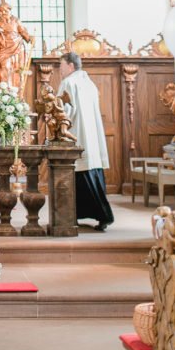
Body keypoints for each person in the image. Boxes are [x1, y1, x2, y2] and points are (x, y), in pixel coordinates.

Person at [58, 52, 114, 232]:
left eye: (61, 66)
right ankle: (80, 215)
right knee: (89, 177)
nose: (60, 70)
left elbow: (64, 111)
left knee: (81, 178)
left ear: (71, 66)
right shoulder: (88, 83)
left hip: (77, 136)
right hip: (91, 140)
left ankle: (104, 215)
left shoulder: (69, 83)